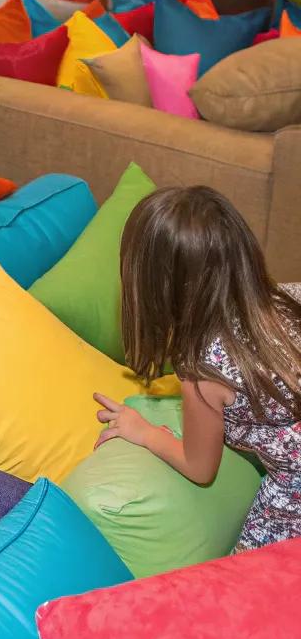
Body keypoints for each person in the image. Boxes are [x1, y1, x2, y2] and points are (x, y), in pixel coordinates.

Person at [94, 185, 301, 551]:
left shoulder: (206, 372)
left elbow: (199, 467)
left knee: (246, 579)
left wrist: (142, 431)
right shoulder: (286, 297)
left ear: (158, 286)